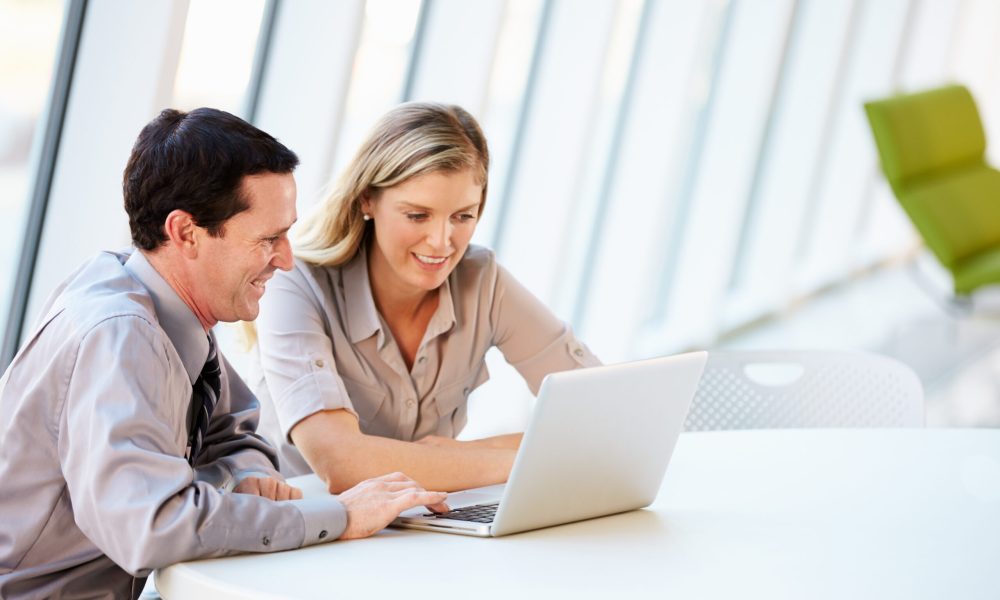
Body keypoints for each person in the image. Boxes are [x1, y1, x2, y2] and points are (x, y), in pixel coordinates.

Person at [0, 108, 446, 599]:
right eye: (268, 238)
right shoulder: (121, 335)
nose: (286, 258)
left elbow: (237, 432)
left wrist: (246, 475)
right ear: (186, 233)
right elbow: (153, 525)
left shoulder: (167, 308)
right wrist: (338, 517)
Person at [253, 102, 601, 494]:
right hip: (302, 531)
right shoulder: (295, 283)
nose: (441, 242)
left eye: (463, 216)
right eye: (418, 216)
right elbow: (341, 462)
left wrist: (461, 456)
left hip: (422, 527)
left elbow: (599, 412)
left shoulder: (482, 281)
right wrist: (517, 459)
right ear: (367, 199)